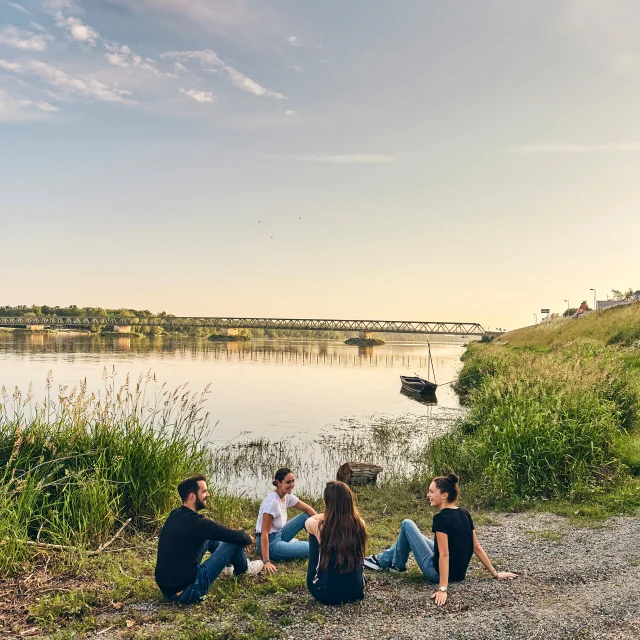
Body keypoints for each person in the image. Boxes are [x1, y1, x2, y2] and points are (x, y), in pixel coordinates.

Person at [363, 473, 517, 605]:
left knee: (407, 524)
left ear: (444, 495)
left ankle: (396, 565)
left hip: (436, 573)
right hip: (459, 574)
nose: (428, 495)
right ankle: (382, 560)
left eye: (431, 492)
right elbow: (476, 546)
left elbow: (444, 555)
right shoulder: (465, 513)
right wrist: (495, 573)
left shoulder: (441, 519)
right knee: (417, 537)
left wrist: (442, 588)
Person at [155, 475, 263, 604]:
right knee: (233, 541)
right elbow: (234, 535)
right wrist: (248, 538)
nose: (208, 494)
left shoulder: (176, 515)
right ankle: (244, 570)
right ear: (192, 496)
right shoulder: (196, 523)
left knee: (209, 539)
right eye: (204, 491)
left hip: (169, 590)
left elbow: (216, 533)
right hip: (189, 591)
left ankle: (229, 566)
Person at [305, 480, 367, 606]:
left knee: (312, 534)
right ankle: (351, 579)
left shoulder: (320, 527)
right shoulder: (360, 524)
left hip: (325, 593)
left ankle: (320, 578)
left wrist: (330, 515)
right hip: (356, 591)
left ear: (327, 502)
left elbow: (309, 521)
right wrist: (341, 514)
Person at [256, 467, 317, 573]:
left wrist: (323, 528)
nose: (292, 485)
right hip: (270, 544)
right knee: (313, 548)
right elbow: (264, 533)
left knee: (306, 516)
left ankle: (324, 539)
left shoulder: (286, 495)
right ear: (278, 483)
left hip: (280, 533)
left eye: (293, 481)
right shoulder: (271, 504)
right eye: (288, 482)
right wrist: (266, 561)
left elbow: (308, 509)